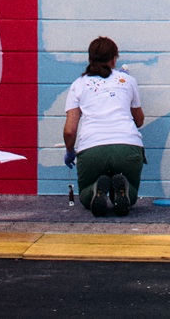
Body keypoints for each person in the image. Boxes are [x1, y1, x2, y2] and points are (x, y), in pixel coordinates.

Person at [63, 36, 145, 217]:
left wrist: (69, 151)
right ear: (114, 59)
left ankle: (94, 190)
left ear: (89, 59)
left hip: (92, 148)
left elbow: (70, 130)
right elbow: (139, 121)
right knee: (130, 195)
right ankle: (123, 189)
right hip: (127, 146)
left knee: (86, 197)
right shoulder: (127, 80)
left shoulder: (78, 85)